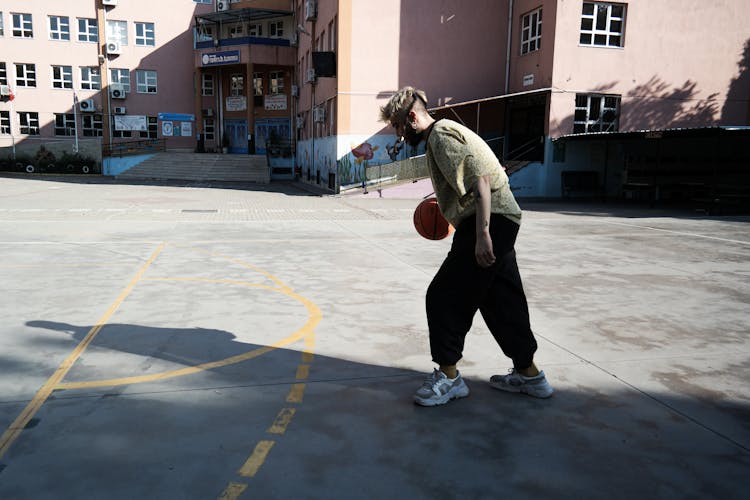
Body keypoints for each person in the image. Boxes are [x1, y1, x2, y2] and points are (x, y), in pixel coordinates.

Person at [379, 87, 553, 406]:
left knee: (444, 294)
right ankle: (530, 375)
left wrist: (482, 233)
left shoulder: (441, 135)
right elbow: (496, 173)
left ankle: (448, 377)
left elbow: (482, 181)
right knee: (501, 299)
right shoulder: (449, 132)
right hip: (501, 216)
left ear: (413, 117)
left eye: (399, 126)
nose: (399, 134)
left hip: (488, 222)